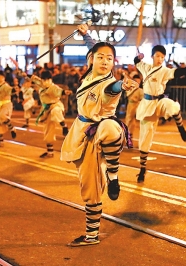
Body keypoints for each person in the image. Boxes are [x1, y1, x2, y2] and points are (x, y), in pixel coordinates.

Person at [60, 42, 138, 246]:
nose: (105, 61)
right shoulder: (88, 76)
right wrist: (85, 34)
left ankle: (113, 174)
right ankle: (92, 233)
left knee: (110, 128)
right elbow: (92, 46)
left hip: (101, 131)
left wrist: (122, 84)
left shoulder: (108, 82)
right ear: (91, 58)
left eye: (110, 58)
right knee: (88, 185)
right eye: (101, 57)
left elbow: (111, 89)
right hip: (82, 132)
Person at [134, 45, 186, 183]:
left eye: (162, 57)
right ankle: (142, 169)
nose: (160, 59)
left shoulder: (164, 70)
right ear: (152, 56)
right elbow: (137, 63)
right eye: (158, 56)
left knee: (171, 105)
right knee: (145, 138)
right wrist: (138, 58)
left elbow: (177, 72)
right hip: (147, 105)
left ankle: (181, 127)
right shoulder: (146, 67)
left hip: (159, 101)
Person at [31, 70, 69, 158]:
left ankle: (64, 125)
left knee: (55, 111)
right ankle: (50, 151)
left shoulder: (52, 87)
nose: (45, 81)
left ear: (50, 79)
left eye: (47, 79)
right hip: (45, 109)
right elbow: (33, 78)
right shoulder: (41, 83)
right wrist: (22, 73)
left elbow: (58, 91)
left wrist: (64, 92)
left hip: (56, 105)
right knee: (48, 129)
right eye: (44, 79)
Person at [0, 70, 17, 148]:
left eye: (2, 77)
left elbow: (10, 90)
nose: (0, 78)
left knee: (2, 115)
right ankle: (0, 141)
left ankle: (11, 128)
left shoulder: (5, 85)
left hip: (6, 104)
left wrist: (15, 89)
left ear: (4, 78)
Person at [125, 74, 144, 140]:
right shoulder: (129, 88)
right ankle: (129, 133)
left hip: (137, 105)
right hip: (130, 105)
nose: (138, 82)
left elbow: (142, 99)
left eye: (139, 81)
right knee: (129, 120)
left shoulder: (140, 90)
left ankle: (131, 134)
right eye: (136, 81)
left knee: (137, 120)